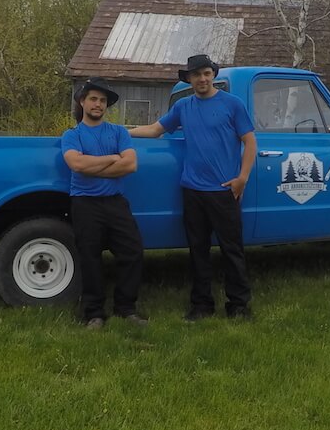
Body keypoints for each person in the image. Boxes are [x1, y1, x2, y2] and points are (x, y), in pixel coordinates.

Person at [131, 54, 257, 321]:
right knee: (198, 251)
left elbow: (250, 141)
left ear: (213, 75)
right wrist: (120, 132)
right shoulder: (183, 107)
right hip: (192, 191)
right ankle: (201, 305)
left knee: (232, 249)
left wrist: (242, 178)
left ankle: (238, 306)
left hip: (224, 190)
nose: (202, 79)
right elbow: (155, 130)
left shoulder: (232, 104)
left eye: (206, 73)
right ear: (188, 79)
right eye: (196, 74)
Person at [61, 77, 147, 330]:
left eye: (102, 100)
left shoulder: (119, 132)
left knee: (132, 251)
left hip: (115, 202)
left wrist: (92, 165)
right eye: (93, 99)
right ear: (82, 102)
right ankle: (94, 313)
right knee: (89, 257)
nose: (98, 104)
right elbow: (76, 165)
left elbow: (130, 164)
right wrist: (112, 158)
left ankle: (126, 308)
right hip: (85, 203)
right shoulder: (72, 135)